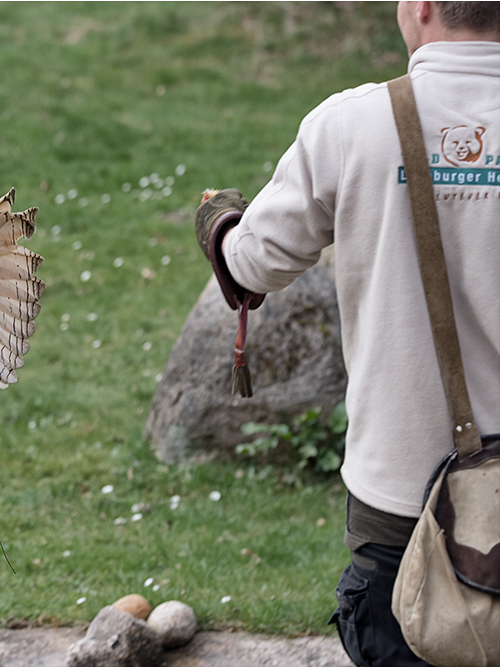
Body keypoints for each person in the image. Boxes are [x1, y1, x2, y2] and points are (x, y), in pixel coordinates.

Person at [195, 2, 499, 666]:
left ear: (420, 7)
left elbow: (249, 267)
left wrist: (217, 220)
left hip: (404, 510)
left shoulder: (354, 123)